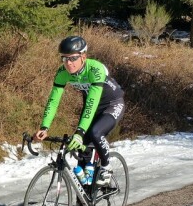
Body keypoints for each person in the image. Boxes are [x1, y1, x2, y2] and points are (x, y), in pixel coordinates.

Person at [34, 35, 125, 186]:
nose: (68, 63)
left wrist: (80, 132)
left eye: (73, 58)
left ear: (83, 56)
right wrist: (44, 127)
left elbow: (91, 102)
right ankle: (83, 199)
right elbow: (53, 100)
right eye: (64, 58)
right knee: (82, 154)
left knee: (95, 133)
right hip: (91, 107)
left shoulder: (94, 69)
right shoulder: (62, 72)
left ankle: (106, 166)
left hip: (112, 104)